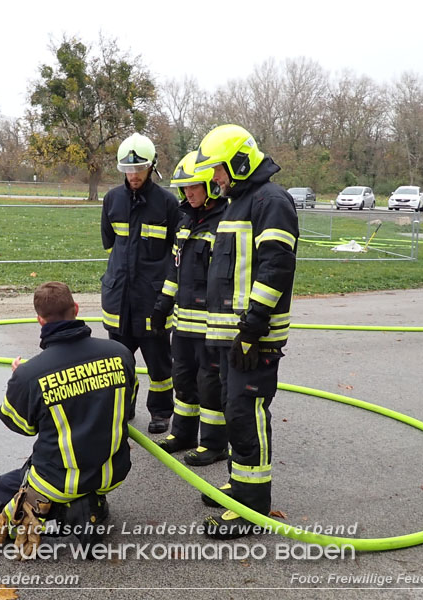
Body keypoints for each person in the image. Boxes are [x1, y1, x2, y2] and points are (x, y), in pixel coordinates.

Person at [192, 124, 299, 539]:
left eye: (217, 170)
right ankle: (241, 485)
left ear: (238, 162)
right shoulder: (239, 202)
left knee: (247, 414)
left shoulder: (271, 202)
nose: (214, 178)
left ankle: (253, 505)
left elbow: (276, 266)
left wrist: (253, 327)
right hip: (232, 335)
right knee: (233, 412)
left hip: (255, 336)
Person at [0, 281, 137, 555]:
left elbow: (21, 426)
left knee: (0, 493)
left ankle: (70, 510)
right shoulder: (121, 354)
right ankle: (91, 505)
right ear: (76, 310)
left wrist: (20, 379)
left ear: (40, 320)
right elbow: (127, 406)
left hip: (58, 480)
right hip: (113, 471)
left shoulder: (30, 375)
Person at [153, 151, 228, 466]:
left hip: (211, 325)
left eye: (194, 187)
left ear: (210, 185)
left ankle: (212, 444)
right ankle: (183, 433)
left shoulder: (224, 223)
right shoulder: (185, 222)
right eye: (184, 189)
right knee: (182, 378)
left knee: (209, 384)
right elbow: (176, 268)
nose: (188, 194)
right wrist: (162, 304)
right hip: (183, 323)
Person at [101, 132, 179, 434]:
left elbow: (177, 252)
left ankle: (160, 412)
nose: (133, 175)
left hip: (152, 300)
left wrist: (164, 294)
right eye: (128, 170)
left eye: (139, 169)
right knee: (118, 365)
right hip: (119, 298)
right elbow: (110, 243)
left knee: (160, 364)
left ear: (152, 167)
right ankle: (124, 407)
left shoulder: (167, 204)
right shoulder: (112, 200)